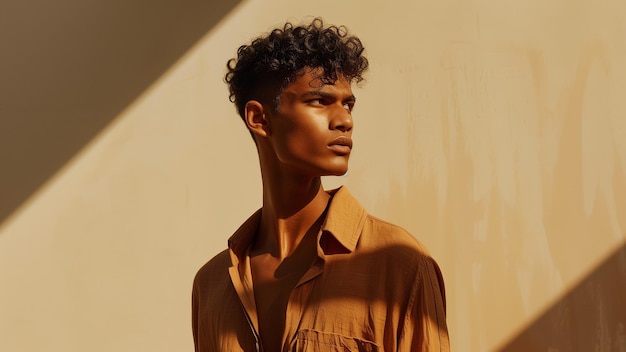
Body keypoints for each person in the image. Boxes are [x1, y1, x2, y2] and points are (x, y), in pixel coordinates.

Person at [192, 18, 449, 352]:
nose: (344, 120)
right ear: (259, 119)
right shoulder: (212, 285)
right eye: (319, 101)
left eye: (348, 104)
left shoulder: (398, 262)